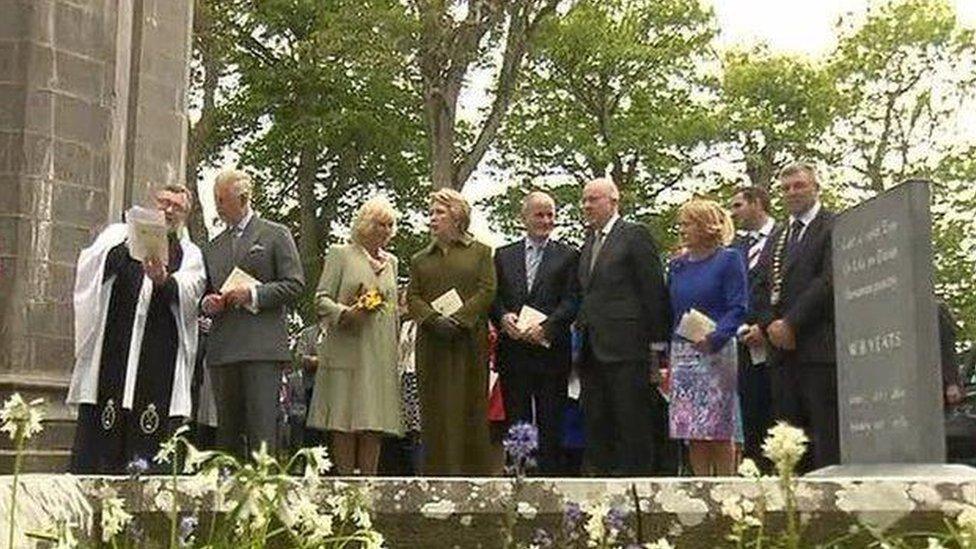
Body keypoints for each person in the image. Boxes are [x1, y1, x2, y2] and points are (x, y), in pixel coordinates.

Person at [68, 184, 206, 473]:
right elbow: (90, 270)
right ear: (153, 203)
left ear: (185, 214)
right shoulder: (116, 236)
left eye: (177, 207)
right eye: (164, 202)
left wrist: (163, 280)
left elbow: (192, 292)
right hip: (114, 350)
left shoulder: (189, 253)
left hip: (158, 360)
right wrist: (127, 249)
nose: (168, 210)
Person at [201, 169, 305, 459]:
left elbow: (295, 284)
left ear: (244, 198)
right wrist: (209, 304)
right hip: (224, 349)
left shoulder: (275, 235)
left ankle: (264, 497)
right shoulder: (213, 247)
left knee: (262, 434)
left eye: (222, 200)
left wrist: (254, 295)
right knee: (227, 435)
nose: (217, 207)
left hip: (262, 349)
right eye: (215, 200)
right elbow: (205, 292)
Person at [576, 177, 670, 476]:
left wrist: (657, 352)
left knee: (632, 424)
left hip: (629, 350)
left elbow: (653, 293)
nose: (587, 205)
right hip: (593, 349)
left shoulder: (634, 235)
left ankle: (637, 489)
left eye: (593, 199)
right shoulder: (589, 242)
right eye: (584, 200)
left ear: (613, 202)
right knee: (598, 424)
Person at [750, 162, 838, 471]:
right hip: (781, 354)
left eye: (799, 185)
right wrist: (769, 323)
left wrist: (792, 323)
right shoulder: (779, 236)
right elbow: (759, 284)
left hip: (817, 348)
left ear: (816, 187)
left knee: (824, 437)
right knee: (789, 440)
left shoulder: (833, 226)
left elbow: (828, 280)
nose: (792, 193)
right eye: (786, 188)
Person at [307, 197, 403, 475]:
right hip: (347, 347)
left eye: (389, 225)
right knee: (345, 418)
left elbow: (392, 307)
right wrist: (345, 312)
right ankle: (346, 485)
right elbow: (321, 299)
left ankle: (369, 486)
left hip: (380, 351)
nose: (385, 230)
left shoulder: (393, 263)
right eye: (379, 224)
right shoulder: (341, 254)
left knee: (374, 420)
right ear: (364, 225)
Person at [408, 188, 496, 475]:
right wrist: (433, 319)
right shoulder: (420, 259)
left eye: (439, 212)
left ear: (457, 216)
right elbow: (413, 297)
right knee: (435, 408)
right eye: (431, 212)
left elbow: (487, 290)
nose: (433, 218)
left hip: (468, 341)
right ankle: (436, 473)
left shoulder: (481, 252)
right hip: (433, 341)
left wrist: (460, 319)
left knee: (469, 406)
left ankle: (473, 475)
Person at [490, 191, 579, 475]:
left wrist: (546, 328)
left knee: (551, 416)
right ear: (524, 218)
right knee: (518, 418)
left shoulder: (569, 255)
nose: (546, 220)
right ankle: (519, 472)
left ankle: (551, 477)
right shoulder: (503, 255)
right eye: (539, 214)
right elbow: (494, 297)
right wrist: (503, 317)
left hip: (550, 350)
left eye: (550, 214)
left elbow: (573, 300)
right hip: (514, 349)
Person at [667, 199, 748, 476]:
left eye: (687, 224)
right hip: (684, 353)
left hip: (717, 350)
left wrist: (716, 336)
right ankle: (700, 487)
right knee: (692, 428)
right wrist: (663, 358)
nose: (682, 230)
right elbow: (671, 312)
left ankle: (727, 488)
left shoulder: (728, 259)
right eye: (680, 224)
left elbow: (738, 307)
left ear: (705, 226)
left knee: (718, 427)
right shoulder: (677, 266)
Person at [729, 186, 778, 466]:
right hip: (743, 343)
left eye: (738, 206)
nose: (733, 213)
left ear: (757, 203)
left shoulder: (782, 237)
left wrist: (764, 325)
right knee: (752, 411)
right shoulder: (736, 248)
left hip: (777, 339)